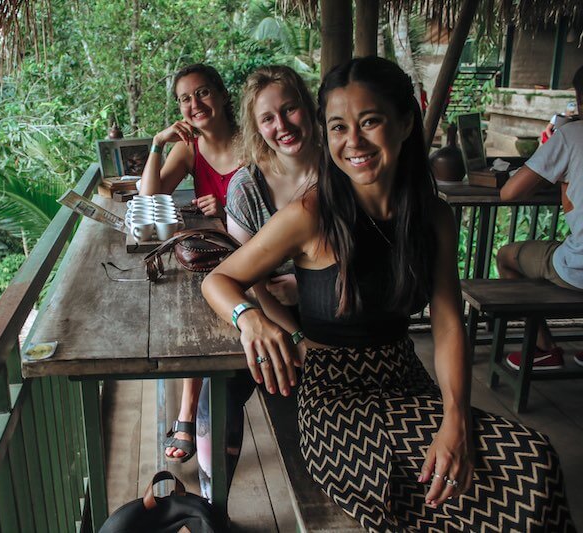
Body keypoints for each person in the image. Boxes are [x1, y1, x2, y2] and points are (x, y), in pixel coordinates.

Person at [202, 56, 575, 532]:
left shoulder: (433, 216)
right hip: (337, 404)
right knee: (500, 479)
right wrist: (249, 318)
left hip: (406, 380)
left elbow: (446, 325)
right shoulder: (312, 213)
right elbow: (218, 279)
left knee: (532, 461)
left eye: (370, 121)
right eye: (337, 127)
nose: (352, 141)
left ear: (403, 124)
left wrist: (455, 418)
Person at [195, 65, 319, 498]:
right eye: (268, 118)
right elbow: (244, 280)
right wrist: (291, 330)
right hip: (268, 311)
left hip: (335, 310)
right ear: (255, 126)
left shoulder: (340, 171)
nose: (281, 126)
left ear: (309, 108)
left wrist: (304, 290)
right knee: (226, 384)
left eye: (290, 110)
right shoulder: (247, 187)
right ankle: (216, 504)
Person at [140, 63, 242, 463]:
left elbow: (274, 196)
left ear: (221, 94)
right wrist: (157, 144)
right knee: (192, 308)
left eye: (202, 93)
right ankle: (191, 411)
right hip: (217, 251)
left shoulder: (250, 139)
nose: (194, 104)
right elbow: (150, 201)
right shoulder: (189, 147)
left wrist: (232, 203)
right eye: (185, 98)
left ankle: (200, 417)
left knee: (206, 304)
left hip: (258, 245)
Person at [496, 64, 583, 372]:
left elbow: (510, 193)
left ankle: (543, 347)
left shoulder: (571, 134)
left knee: (506, 256)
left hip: (578, 270)